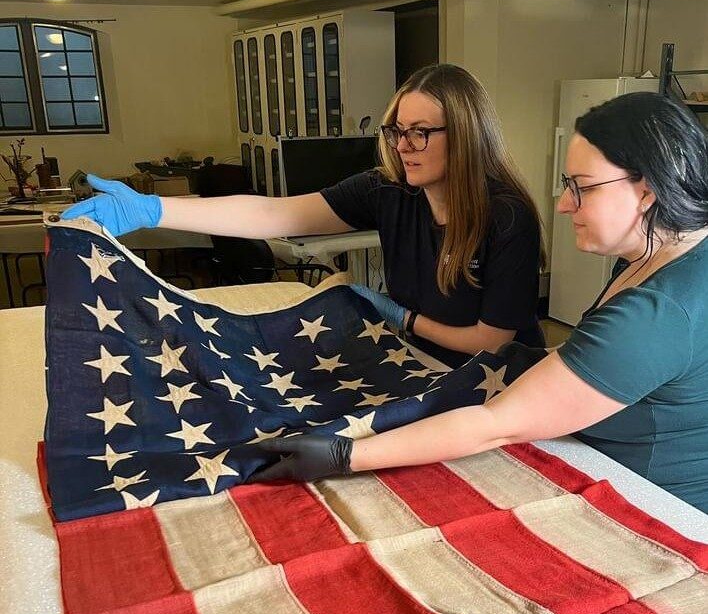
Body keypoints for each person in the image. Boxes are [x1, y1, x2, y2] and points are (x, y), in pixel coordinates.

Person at [248, 91, 708, 514]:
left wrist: (345, 453)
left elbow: (497, 423)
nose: (565, 205)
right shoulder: (661, 255)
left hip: (653, 506)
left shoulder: (656, 312)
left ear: (646, 191)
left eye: (581, 187)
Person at [62, 63, 545, 368]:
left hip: (495, 377)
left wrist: (397, 314)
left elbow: (492, 341)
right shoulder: (389, 190)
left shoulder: (506, 216)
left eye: (420, 132)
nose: (402, 146)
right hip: (419, 361)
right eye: (396, 130)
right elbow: (275, 215)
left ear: (464, 134)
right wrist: (153, 209)